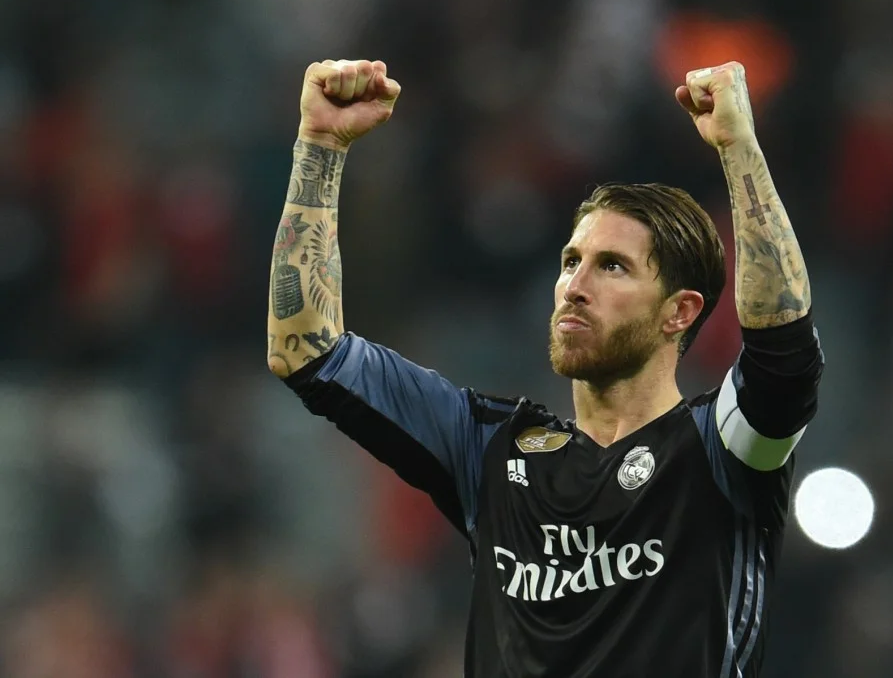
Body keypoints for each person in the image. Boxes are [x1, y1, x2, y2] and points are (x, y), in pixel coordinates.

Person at [266, 58, 823, 678]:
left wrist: (739, 149)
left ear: (679, 312)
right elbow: (306, 350)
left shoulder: (721, 450)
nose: (575, 286)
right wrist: (320, 146)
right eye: (570, 261)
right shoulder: (488, 448)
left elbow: (785, 353)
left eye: (612, 266)